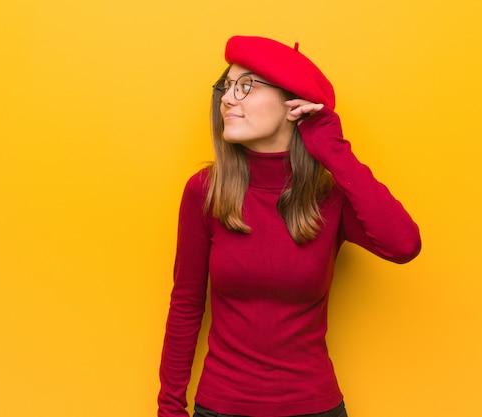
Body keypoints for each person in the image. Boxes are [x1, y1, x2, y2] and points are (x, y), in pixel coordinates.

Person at [157, 35, 422, 417]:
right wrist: (169, 409)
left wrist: (332, 148)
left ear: (292, 104)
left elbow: (403, 245)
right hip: (221, 406)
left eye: (246, 86)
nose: (228, 98)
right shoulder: (205, 192)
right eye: (227, 86)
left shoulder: (329, 195)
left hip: (313, 407)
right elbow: (185, 306)